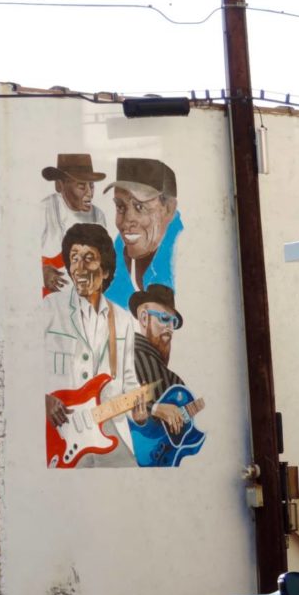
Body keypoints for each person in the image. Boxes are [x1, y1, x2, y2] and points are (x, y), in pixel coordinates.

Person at [45, 223, 148, 467]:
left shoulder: (122, 319)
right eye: (74, 258)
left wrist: (140, 415)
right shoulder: (50, 310)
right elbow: (25, 369)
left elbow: (129, 382)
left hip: (111, 434)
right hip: (64, 434)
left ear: (105, 271)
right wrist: (44, 400)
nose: (78, 268)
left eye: (88, 259)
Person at [128, 284, 206, 466]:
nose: (170, 328)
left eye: (174, 322)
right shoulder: (127, 360)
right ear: (144, 318)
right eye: (164, 318)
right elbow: (113, 402)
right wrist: (154, 410)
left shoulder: (175, 381)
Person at [102, 158, 184, 309]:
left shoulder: (183, 253)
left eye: (140, 207)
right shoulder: (115, 252)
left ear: (169, 209)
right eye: (120, 207)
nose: (126, 221)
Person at [39, 154, 108, 294]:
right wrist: (42, 271)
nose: (89, 193)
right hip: (53, 296)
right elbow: (23, 255)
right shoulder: (45, 210)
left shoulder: (98, 216)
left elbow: (104, 259)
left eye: (92, 186)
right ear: (60, 185)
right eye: (81, 186)